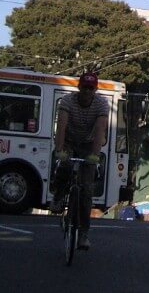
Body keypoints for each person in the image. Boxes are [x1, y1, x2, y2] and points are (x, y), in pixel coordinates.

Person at [50, 71, 108, 251]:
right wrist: (59, 150)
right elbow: (62, 126)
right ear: (79, 87)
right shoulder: (67, 101)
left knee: (87, 191)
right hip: (69, 140)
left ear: (95, 89)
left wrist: (95, 155)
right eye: (85, 87)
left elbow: (100, 130)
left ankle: (83, 234)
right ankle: (58, 196)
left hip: (89, 144)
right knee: (65, 165)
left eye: (91, 88)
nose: (87, 91)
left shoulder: (101, 104)